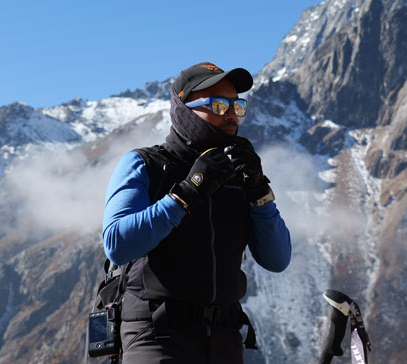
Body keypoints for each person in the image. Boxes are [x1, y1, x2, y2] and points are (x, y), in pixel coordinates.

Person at [102, 62, 291, 364]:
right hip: (156, 335)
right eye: (218, 105)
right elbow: (117, 243)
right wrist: (188, 192)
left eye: (236, 105)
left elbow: (278, 259)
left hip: (225, 337)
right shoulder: (145, 164)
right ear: (183, 109)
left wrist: (258, 191)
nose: (230, 114)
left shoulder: (239, 174)